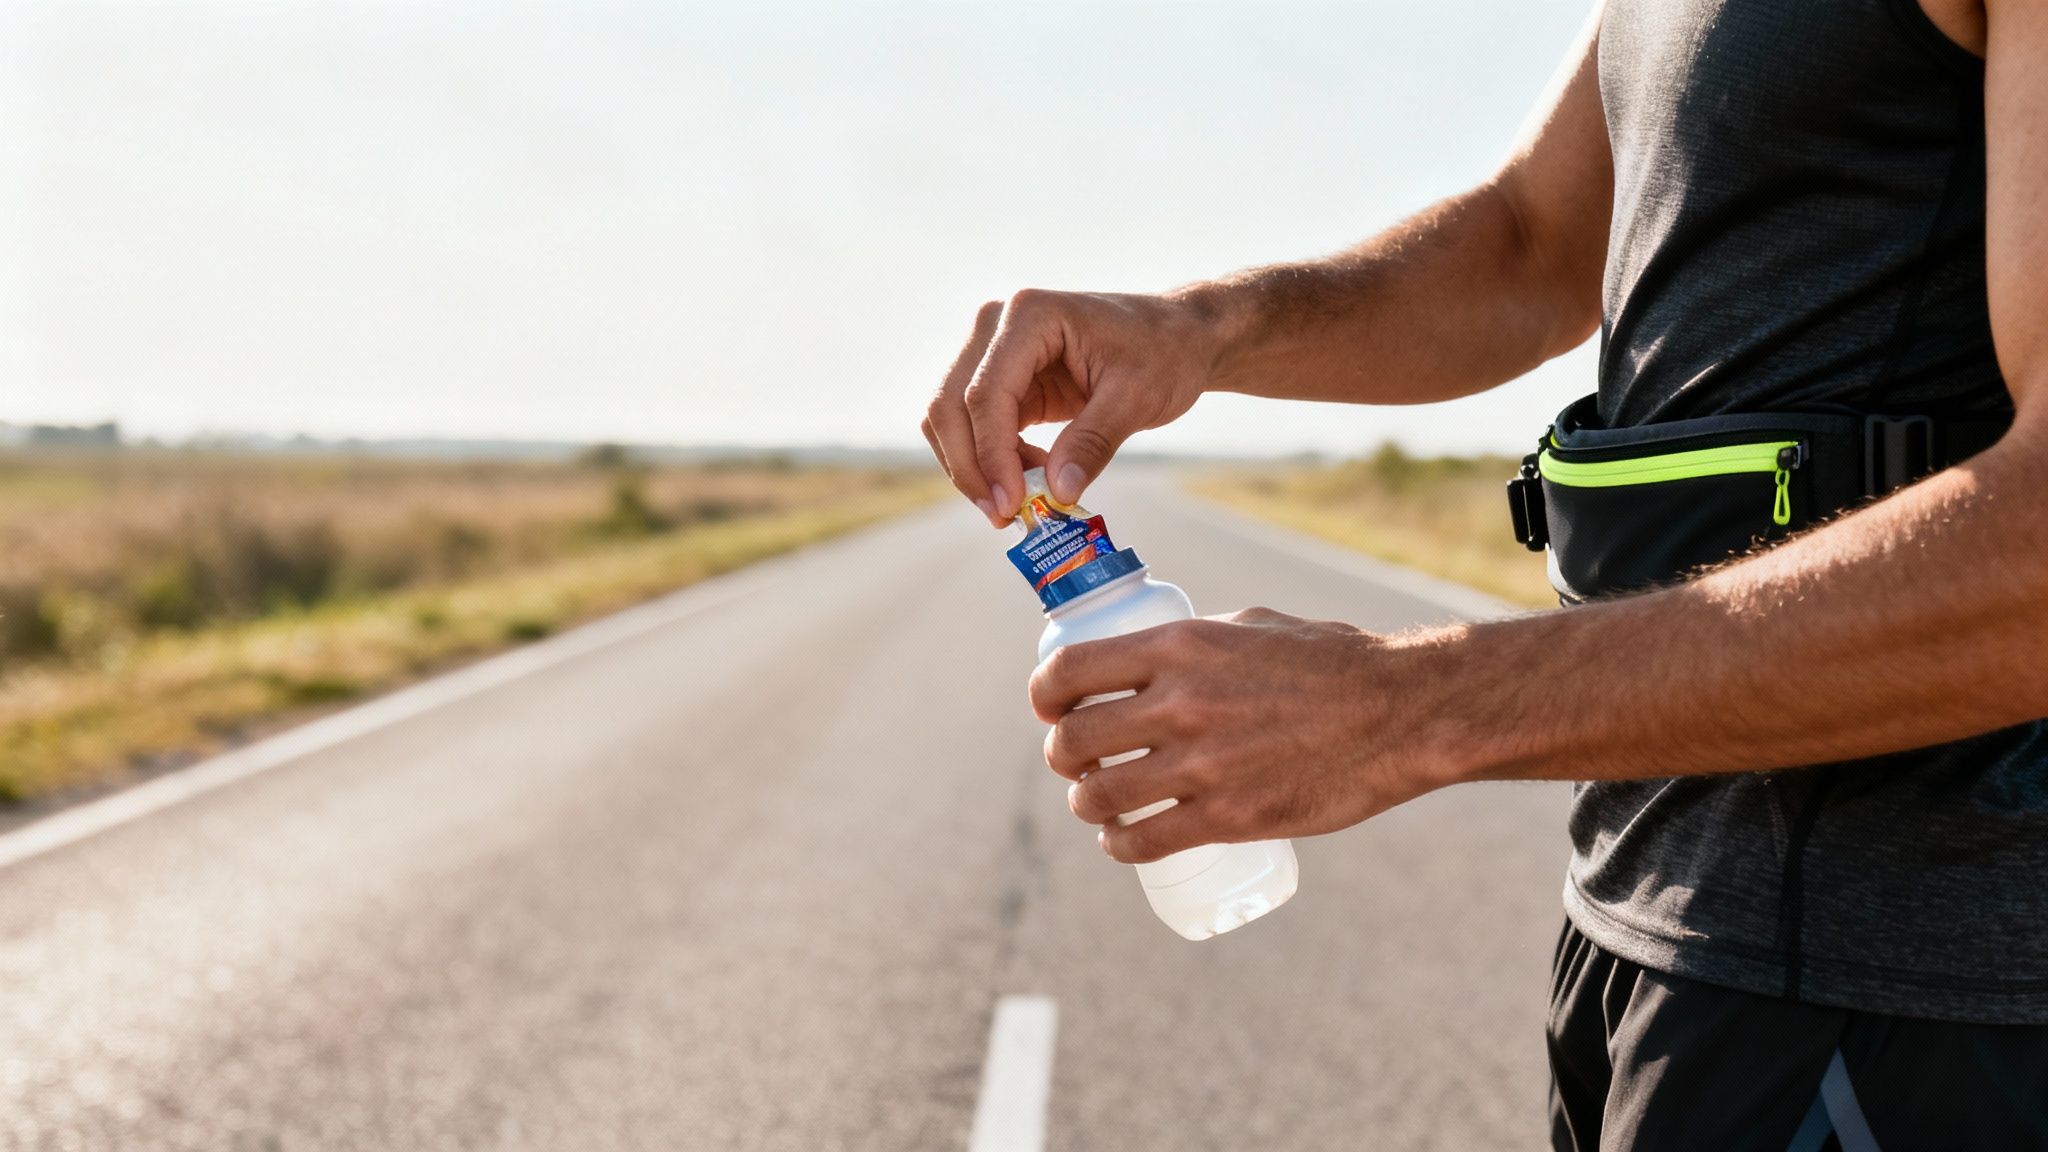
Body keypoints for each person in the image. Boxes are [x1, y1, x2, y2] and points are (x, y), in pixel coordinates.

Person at [921, 1, 2048, 1148]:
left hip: (1920, 987)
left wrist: (1401, 707)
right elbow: (1528, 243)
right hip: (1646, 914)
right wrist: (1202, 327)